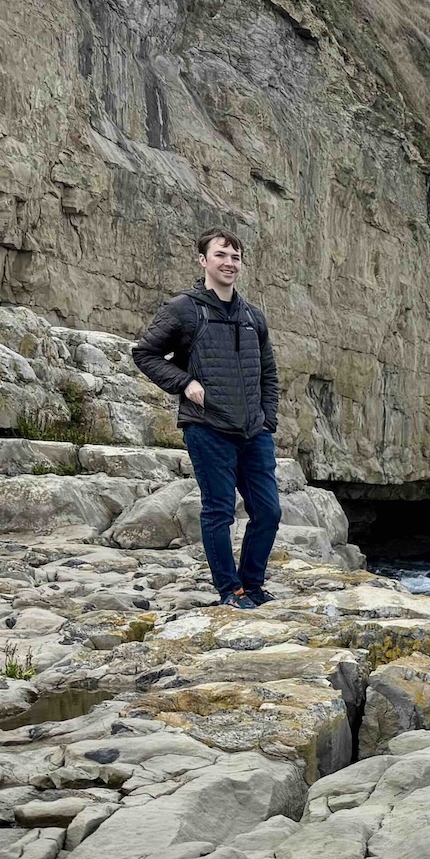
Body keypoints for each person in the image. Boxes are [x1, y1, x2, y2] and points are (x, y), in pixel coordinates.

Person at [131, 228, 282, 608]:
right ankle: (230, 591)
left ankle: (254, 586)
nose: (229, 263)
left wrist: (268, 421)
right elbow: (145, 354)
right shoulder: (183, 309)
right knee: (219, 511)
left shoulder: (253, 316)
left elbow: (269, 373)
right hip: (207, 427)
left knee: (268, 512)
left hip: (253, 431)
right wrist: (183, 382)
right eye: (221, 255)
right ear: (203, 261)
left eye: (235, 257)